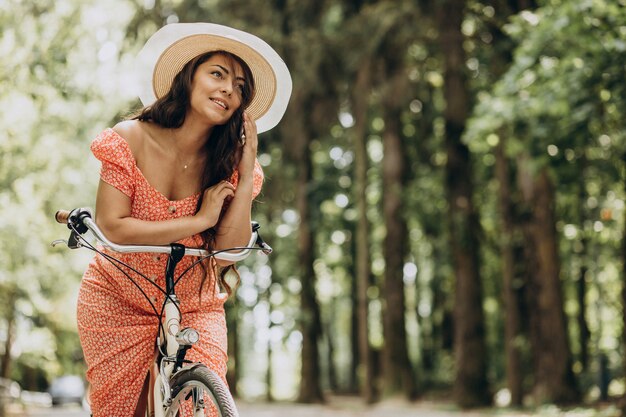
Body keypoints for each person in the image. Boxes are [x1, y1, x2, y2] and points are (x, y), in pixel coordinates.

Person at [76, 23, 291, 416]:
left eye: (240, 86)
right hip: (119, 297)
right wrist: (199, 220)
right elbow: (113, 226)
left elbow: (227, 253)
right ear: (188, 77)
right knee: (124, 409)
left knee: (207, 405)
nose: (229, 89)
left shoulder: (230, 165)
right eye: (218, 74)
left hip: (195, 303)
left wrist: (243, 177)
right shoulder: (130, 139)